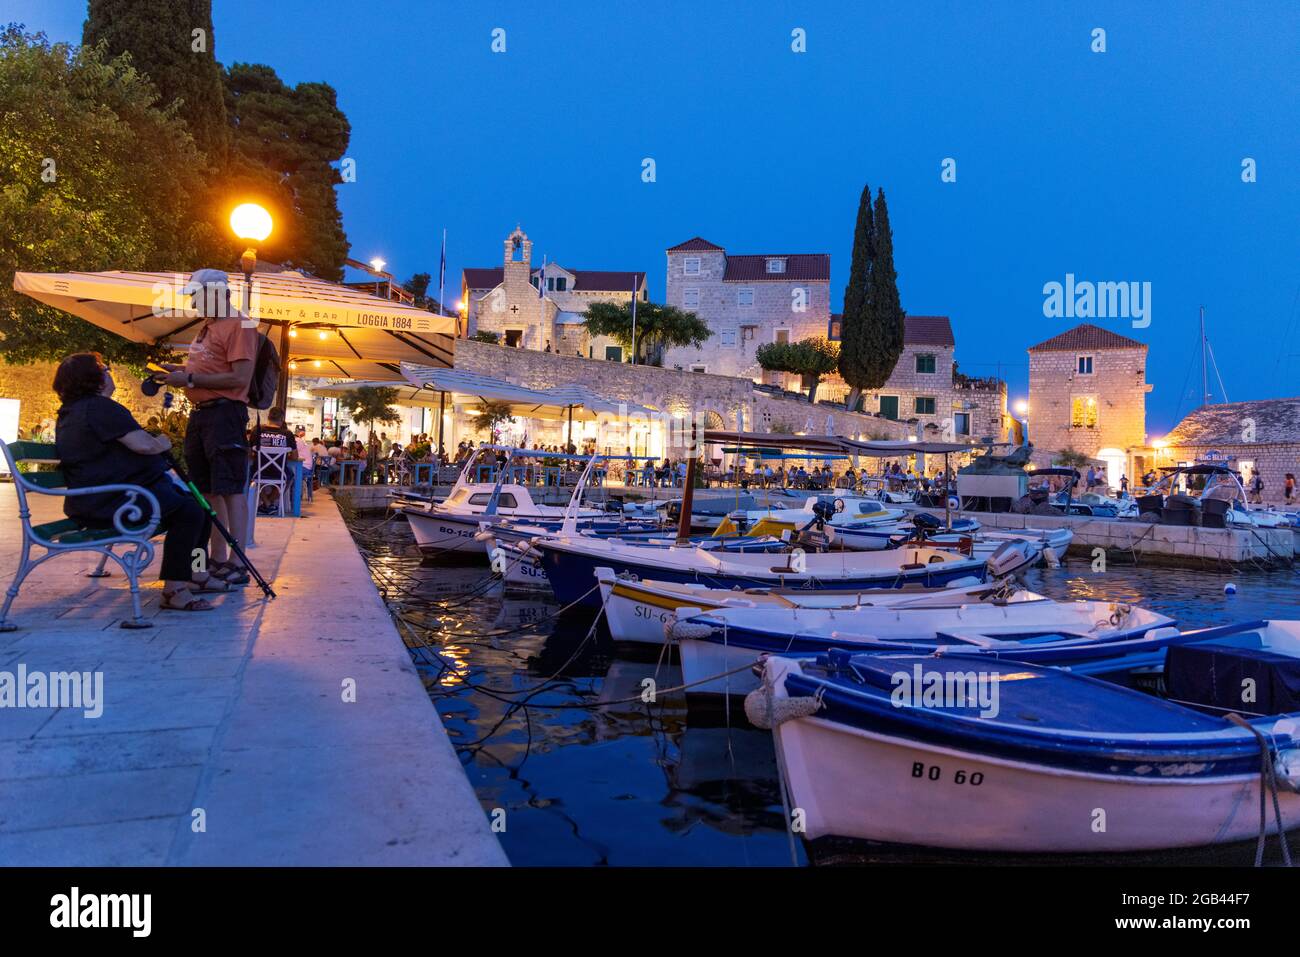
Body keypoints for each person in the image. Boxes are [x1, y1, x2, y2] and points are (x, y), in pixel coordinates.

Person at [54, 353, 231, 611]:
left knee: (197, 506)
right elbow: (142, 445)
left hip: (96, 500)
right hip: (112, 503)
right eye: (104, 368)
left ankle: (197, 572)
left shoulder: (74, 411)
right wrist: (162, 442)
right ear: (95, 379)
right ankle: (175, 588)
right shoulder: (99, 408)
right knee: (192, 510)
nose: (109, 372)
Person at [153, 269, 259, 586]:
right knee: (205, 492)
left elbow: (240, 378)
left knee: (229, 489)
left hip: (225, 414)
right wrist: (178, 370)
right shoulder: (207, 326)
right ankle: (214, 560)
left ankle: (238, 564)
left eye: (198, 296)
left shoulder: (241, 324)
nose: (195, 303)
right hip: (201, 415)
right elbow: (207, 367)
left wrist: (188, 379)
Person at [251, 408, 298, 513]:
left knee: (250, 476)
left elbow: (249, 453)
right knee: (289, 476)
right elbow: (295, 457)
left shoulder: (256, 430)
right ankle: (269, 503)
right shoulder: (288, 434)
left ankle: (265, 503)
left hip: (258, 471)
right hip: (279, 472)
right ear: (282, 419)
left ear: (268, 417)